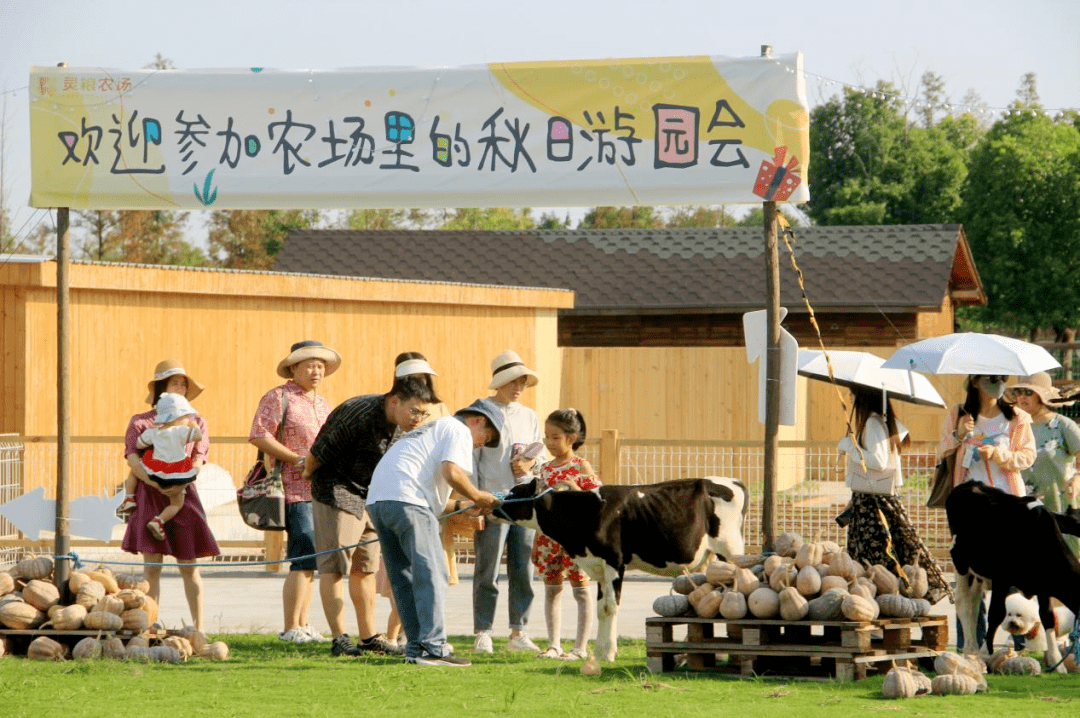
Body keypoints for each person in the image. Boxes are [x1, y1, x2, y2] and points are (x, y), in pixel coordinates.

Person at [303, 371, 439, 657]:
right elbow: (317, 454)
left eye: (423, 414)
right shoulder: (359, 412)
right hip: (336, 491)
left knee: (365, 567)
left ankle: (368, 637)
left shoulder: (410, 427)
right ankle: (340, 638)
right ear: (394, 401)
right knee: (334, 566)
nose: (417, 419)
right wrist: (308, 478)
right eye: (413, 411)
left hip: (372, 495)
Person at [367, 399, 502, 667]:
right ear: (478, 421)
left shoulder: (433, 429)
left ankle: (416, 647)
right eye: (486, 438)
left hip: (378, 501)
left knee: (403, 577)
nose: (481, 445)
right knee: (432, 572)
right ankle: (434, 647)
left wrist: (465, 504)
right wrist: (478, 495)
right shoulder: (458, 429)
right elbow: (451, 473)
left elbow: (435, 494)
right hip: (408, 500)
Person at [249, 340, 338, 645]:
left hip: (321, 491)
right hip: (293, 489)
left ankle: (303, 624)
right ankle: (290, 627)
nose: (316, 371)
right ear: (293, 368)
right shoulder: (279, 397)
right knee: (302, 558)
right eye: (310, 365)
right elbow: (259, 435)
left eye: (321, 366)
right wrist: (297, 459)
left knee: (312, 559)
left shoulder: (323, 403)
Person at [939, 373, 1036, 650]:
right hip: (969, 508)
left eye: (1001, 378)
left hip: (1007, 505)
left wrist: (999, 456)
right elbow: (942, 450)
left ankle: (1020, 644)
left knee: (1013, 571)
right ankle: (971, 645)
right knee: (968, 576)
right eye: (991, 378)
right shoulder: (959, 412)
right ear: (975, 381)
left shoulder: (1016, 417)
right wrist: (958, 434)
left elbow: (1028, 456)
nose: (997, 383)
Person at [121, 359, 220, 631]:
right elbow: (132, 457)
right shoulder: (141, 422)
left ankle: (199, 628)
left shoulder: (196, 420)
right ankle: (149, 625)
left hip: (184, 494)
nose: (180, 387)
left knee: (189, 566)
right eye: (175, 382)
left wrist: (182, 482)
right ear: (161, 386)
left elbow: (200, 456)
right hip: (149, 494)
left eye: (183, 383)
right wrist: (155, 483)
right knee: (151, 567)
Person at [836, 390, 950, 604]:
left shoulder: (872, 423)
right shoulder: (883, 422)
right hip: (880, 499)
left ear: (864, 395)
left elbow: (878, 462)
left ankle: (877, 606)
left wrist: (849, 446)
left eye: (853, 393)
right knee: (893, 550)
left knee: (874, 559)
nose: (851, 397)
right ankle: (886, 604)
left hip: (873, 503)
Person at [472, 350, 543, 654]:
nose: (518, 388)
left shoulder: (528, 415)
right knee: (487, 568)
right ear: (499, 382)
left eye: (523, 383)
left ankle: (519, 630)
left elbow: (541, 454)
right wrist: (475, 498)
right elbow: (470, 459)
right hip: (492, 501)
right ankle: (483, 631)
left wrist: (531, 465)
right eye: (514, 382)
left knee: (523, 567)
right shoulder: (480, 413)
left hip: (525, 502)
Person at [532, 408, 600, 660]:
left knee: (581, 592)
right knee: (552, 590)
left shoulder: (581, 466)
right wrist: (535, 543)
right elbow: (539, 508)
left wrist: (575, 489)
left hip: (577, 541)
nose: (549, 443)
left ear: (571, 438)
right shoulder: (545, 469)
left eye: (555, 437)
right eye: (546, 437)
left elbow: (598, 500)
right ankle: (553, 645)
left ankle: (580, 648)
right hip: (548, 541)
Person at [1009, 372, 1080, 554]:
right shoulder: (1014, 426)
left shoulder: (1063, 425)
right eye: (1018, 391)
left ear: (1042, 397)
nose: (1022, 397)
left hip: (1060, 506)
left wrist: (1078, 478)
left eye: (1028, 392)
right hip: (1024, 507)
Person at [133, 392, 203, 541]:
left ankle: (129, 497)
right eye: (186, 417)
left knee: (139, 466)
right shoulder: (180, 431)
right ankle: (158, 521)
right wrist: (194, 424)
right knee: (177, 504)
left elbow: (139, 443)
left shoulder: (153, 432)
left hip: (157, 473)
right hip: (177, 473)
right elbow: (197, 436)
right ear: (177, 418)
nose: (188, 419)